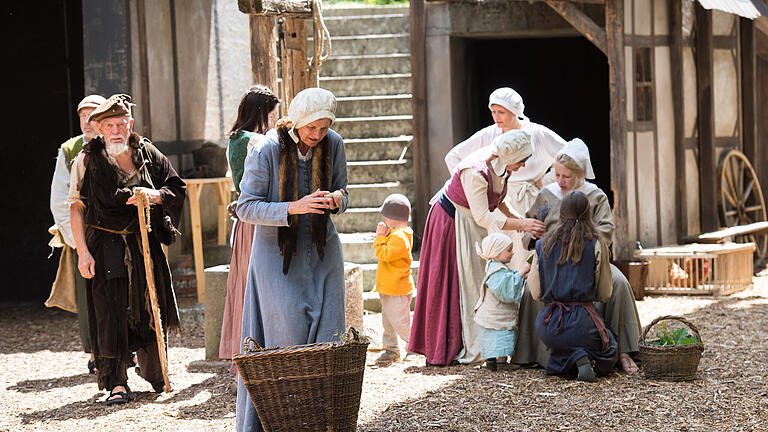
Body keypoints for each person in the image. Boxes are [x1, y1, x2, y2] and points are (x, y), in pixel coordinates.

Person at [235, 87, 348, 431]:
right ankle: (281, 422)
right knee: (285, 342)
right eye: (311, 127)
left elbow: (345, 192)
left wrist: (335, 201)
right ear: (297, 121)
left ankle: (320, 423)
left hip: (322, 251)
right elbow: (245, 207)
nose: (317, 135)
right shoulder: (266, 148)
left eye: (323, 127)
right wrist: (293, 208)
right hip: (276, 257)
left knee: (329, 340)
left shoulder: (334, 143)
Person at [68, 94, 186, 405]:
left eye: (121, 124)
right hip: (105, 245)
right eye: (109, 125)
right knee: (110, 311)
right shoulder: (86, 161)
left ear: (130, 125)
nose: (116, 130)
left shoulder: (147, 154)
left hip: (142, 242)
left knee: (150, 304)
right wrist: (82, 252)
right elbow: (76, 209)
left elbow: (175, 187)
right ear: (99, 128)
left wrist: (154, 195)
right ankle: (117, 382)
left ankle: (157, 375)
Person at [408, 129, 545, 367]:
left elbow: (500, 200)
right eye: (522, 160)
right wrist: (521, 223)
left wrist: (522, 223)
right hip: (451, 223)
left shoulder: (501, 165)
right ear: (510, 156)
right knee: (463, 281)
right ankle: (458, 344)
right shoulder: (475, 171)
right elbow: (483, 216)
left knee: (476, 279)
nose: (524, 165)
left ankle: (485, 343)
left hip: (470, 221)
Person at [511, 138, 641, 374]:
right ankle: (532, 353)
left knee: (619, 283)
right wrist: (534, 233)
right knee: (531, 290)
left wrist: (578, 244)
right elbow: (530, 231)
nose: (560, 181)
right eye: (557, 175)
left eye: (566, 177)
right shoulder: (546, 196)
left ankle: (624, 350)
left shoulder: (595, 196)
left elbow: (605, 233)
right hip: (552, 265)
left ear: (580, 173)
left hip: (590, 263)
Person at [219, 85, 279, 368]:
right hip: (258, 219)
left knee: (246, 286)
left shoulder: (237, 137)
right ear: (261, 113)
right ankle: (257, 352)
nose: (275, 119)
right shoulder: (254, 140)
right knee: (258, 287)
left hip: (248, 220)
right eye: (272, 113)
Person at [529, 191, 618, 382]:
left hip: (548, 324)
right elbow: (604, 292)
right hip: (582, 323)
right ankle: (580, 356)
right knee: (610, 349)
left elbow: (535, 292)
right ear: (588, 213)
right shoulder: (596, 243)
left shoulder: (542, 245)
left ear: (560, 214)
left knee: (563, 344)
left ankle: (566, 361)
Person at [46, 94, 105, 374]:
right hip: (83, 234)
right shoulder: (70, 150)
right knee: (89, 296)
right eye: (82, 116)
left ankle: (127, 349)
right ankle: (96, 352)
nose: (87, 121)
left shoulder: (119, 145)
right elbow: (60, 198)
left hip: (115, 231)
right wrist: (75, 240)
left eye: (92, 115)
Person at [444, 87, 567, 216]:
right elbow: (453, 157)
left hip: (532, 200)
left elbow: (569, 155)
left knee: (534, 233)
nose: (496, 117)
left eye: (501, 112)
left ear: (515, 112)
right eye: (493, 111)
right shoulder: (488, 134)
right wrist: (477, 191)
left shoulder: (536, 133)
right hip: (500, 205)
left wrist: (547, 180)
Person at [474, 232, 529, 371]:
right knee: (501, 337)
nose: (512, 253)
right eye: (509, 250)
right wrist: (521, 272)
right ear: (496, 253)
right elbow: (505, 290)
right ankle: (501, 363)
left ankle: (492, 361)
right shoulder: (496, 271)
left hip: (491, 315)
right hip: (497, 316)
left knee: (493, 339)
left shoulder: (494, 267)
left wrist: (519, 277)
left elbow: (508, 280)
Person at [373, 193, 415, 366]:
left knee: (400, 322)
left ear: (390, 218)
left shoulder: (399, 237)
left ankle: (415, 347)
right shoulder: (398, 234)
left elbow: (384, 254)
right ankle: (391, 349)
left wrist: (380, 238)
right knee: (388, 321)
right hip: (390, 288)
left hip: (396, 288)